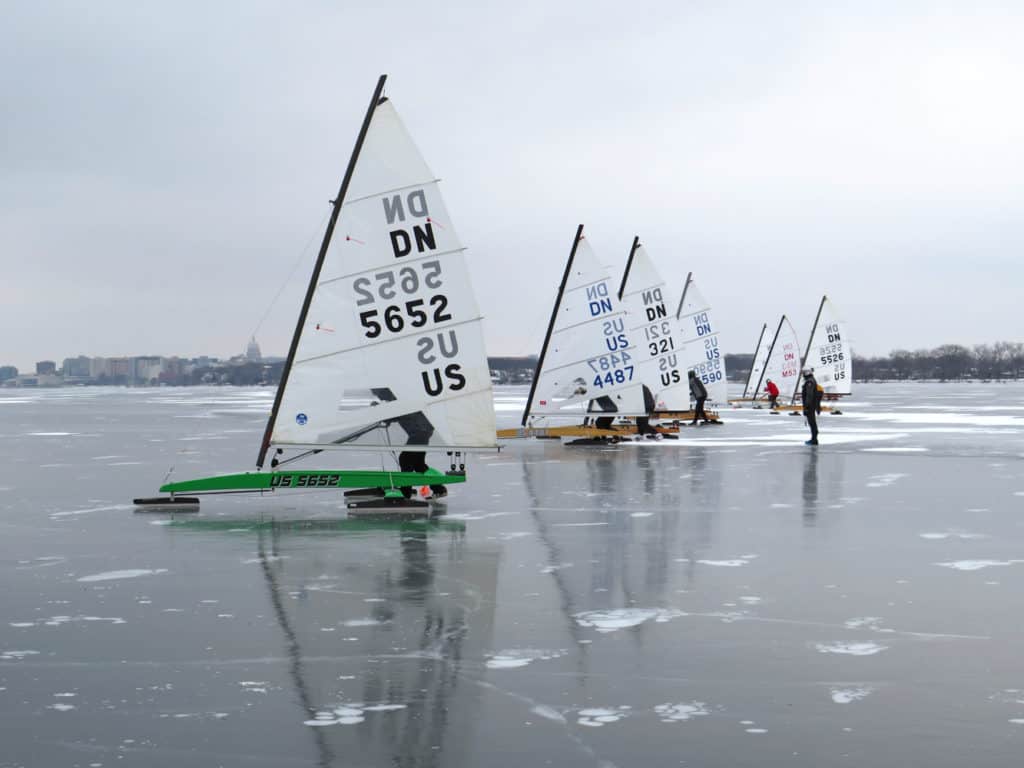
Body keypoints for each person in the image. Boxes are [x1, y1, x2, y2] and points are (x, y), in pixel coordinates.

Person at [800, 368, 822, 445]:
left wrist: (806, 407)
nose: (802, 375)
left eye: (803, 374)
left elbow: (809, 395)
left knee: (811, 422)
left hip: (810, 405)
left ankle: (814, 439)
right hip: (812, 404)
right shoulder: (811, 380)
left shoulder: (809, 382)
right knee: (812, 422)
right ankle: (814, 438)